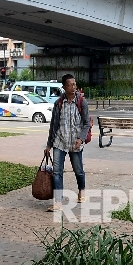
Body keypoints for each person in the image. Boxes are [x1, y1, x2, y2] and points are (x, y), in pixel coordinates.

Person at [44, 74, 90, 212]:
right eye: (70, 84)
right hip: (60, 141)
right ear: (64, 87)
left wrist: (81, 138)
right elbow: (53, 125)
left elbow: (87, 123)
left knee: (78, 170)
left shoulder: (82, 102)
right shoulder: (58, 103)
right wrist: (48, 144)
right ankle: (58, 201)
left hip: (75, 143)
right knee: (57, 172)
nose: (73, 87)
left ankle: (81, 191)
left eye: (74, 84)